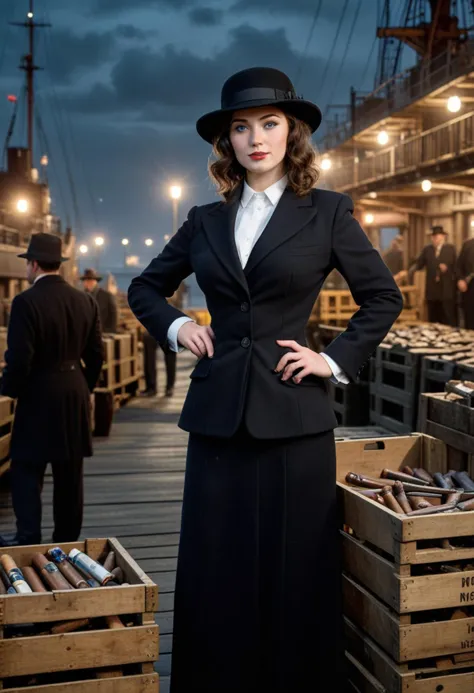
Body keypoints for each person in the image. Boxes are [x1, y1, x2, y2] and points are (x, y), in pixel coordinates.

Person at [128, 67, 403, 692]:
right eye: (241, 126)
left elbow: (382, 298)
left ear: (292, 132)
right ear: (227, 141)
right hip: (218, 417)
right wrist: (176, 327)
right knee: (215, 567)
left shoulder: (328, 212)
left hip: (295, 416)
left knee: (296, 569)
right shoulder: (203, 219)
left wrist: (329, 361)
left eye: (270, 124)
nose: (256, 137)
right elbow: (143, 286)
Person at [0, 233, 103, 547]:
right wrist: (82, 386)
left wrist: (9, 390)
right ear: (59, 263)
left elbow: (19, 359)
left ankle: (29, 536)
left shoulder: (25, 302)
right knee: (70, 472)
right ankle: (67, 539)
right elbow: (96, 354)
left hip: (38, 393)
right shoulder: (86, 300)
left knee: (26, 468)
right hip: (73, 391)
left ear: (33, 265)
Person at [139, 284, 188, 397]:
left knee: (170, 357)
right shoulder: (153, 278)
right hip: (152, 324)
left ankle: (169, 387)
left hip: (169, 324)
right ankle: (151, 387)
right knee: (149, 355)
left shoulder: (178, 282)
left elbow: (175, 301)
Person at [410, 226, 457, 325]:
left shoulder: (451, 249)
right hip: (432, 291)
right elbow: (419, 264)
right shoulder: (427, 250)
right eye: (433, 236)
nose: (435, 238)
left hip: (446, 290)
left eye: (437, 236)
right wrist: (409, 271)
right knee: (433, 318)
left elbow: (457, 268)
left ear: (443, 237)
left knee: (447, 317)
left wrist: (447, 269)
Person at [81, 267, 118, 333]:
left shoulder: (107, 296)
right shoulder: (81, 297)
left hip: (103, 334)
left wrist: (109, 332)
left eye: (91, 280)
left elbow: (113, 317)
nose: (88, 282)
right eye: (86, 280)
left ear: (96, 281)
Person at [456, 235, 474, 329]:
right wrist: (460, 279)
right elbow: (458, 266)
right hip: (469, 287)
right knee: (469, 318)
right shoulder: (467, 244)